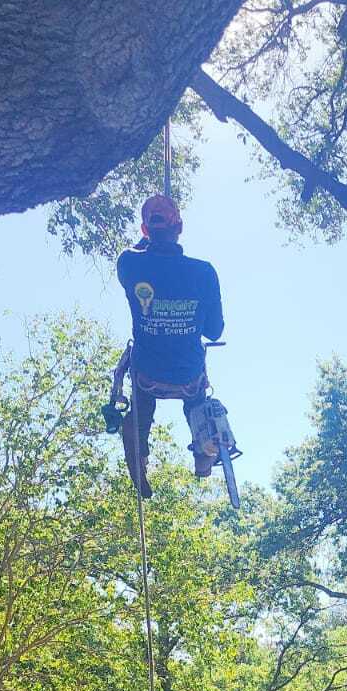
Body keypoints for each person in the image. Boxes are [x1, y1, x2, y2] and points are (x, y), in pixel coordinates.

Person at [115, 194, 225, 498]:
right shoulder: (203, 272)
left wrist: (148, 239)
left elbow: (139, 250)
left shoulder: (129, 264)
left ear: (145, 230)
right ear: (180, 226)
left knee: (143, 404)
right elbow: (214, 331)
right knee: (196, 400)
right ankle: (204, 450)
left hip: (147, 375)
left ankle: (137, 444)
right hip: (187, 377)